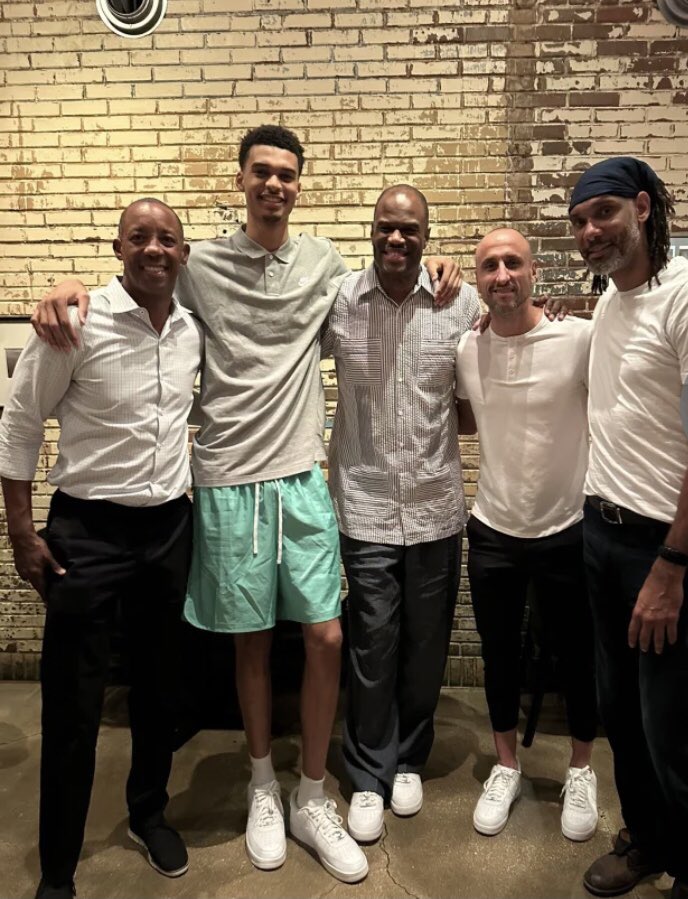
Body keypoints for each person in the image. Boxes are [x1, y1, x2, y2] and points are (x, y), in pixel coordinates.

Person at [30, 125, 461, 884]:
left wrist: (448, 272)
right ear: (241, 181)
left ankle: (313, 793)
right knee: (253, 643)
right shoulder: (197, 266)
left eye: (287, 174)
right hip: (227, 477)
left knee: (326, 637)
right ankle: (264, 785)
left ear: (300, 185)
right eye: (261, 172)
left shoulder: (326, 263)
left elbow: (388, 282)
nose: (274, 185)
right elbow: (136, 280)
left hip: (301, 477)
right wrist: (66, 289)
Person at [0, 199, 202, 899]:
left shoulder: (188, 330)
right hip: (87, 533)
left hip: (170, 529)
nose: (154, 249)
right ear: (117, 247)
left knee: (158, 689)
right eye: (139, 237)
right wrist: (22, 531)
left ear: (183, 253)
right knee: (73, 703)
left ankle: (148, 811)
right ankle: (58, 865)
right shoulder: (75, 324)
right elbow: (21, 423)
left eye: (167, 239)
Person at [568, 157, 688, 899]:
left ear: (642, 207)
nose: (589, 230)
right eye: (578, 220)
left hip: (676, 551)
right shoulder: (610, 301)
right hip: (603, 537)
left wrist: (671, 566)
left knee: (672, 729)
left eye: (602, 212)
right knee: (623, 719)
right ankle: (648, 841)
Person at [321, 185, 480, 843]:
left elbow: (498, 364)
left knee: (424, 646)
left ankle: (409, 757)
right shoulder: (337, 302)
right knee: (372, 643)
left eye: (409, 230)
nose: (396, 240)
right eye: (386, 227)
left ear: (426, 235)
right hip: (363, 505)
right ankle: (366, 773)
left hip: (436, 505)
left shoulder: (460, 302)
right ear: (371, 230)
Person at [454, 227, 599, 843]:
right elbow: (464, 418)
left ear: (535, 271)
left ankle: (583, 769)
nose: (502, 275)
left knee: (578, 653)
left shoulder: (579, 338)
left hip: (566, 525)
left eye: (513, 263)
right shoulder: (468, 346)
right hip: (492, 527)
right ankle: (507, 765)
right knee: (499, 653)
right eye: (489, 266)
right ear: (478, 279)